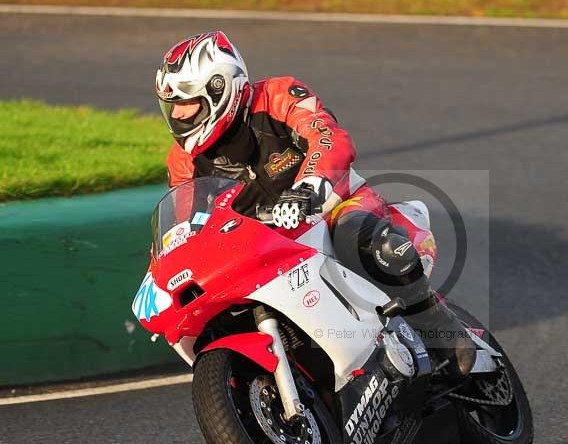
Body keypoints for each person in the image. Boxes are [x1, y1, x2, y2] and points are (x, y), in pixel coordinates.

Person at [156, 31, 475, 378]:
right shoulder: (184, 161)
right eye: (173, 106)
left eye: (188, 104)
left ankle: (436, 323)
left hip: (331, 205)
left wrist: (309, 187)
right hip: (264, 244)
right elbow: (188, 223)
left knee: (356, 234)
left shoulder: (278, 95)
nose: (179, 115)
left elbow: (327, 135)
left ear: (221, 89)